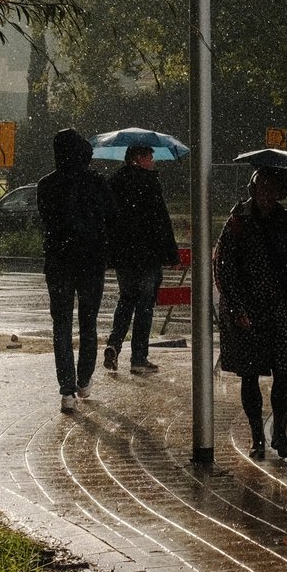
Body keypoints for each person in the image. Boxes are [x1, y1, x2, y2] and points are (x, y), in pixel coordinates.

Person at [213, 169, 287, 459]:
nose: (266, 195)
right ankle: (257, 436)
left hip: (279, 307)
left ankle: (281, 435)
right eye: (261, 188)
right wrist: (236, 308)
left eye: (272, 189)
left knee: (283, 370)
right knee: (250, 374)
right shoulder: (238, 221)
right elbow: (224, 268)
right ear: (252, 189)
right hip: (246, 308)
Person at [37, 128, 116, 413]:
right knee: (88, 322)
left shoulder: (46, 185)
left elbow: (47, 219)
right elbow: (112, 217)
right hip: (91, 262)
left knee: (61, 325)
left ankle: (66, 389)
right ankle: (84, 379)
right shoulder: (96, 183)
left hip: (59, 262)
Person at [104, 144, 180, 374]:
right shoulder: (149, 182)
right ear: (139, 158)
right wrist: (171, 254)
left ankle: (114, 344)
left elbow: (108, 219)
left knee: (126, 300)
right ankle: (138, 357)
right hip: (147, 255)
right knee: (145, 306)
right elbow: (161, 221)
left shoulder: (114, 182)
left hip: (124, 256)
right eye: (150, 157)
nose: (153, 161)